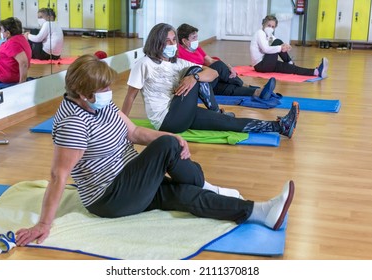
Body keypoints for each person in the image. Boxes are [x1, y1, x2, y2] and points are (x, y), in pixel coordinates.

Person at [15, 54, 295, 246]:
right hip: (111, 197)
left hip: (134, 180)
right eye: (104, 89)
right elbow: (57, 176)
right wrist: (43, 224)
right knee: (168, 145)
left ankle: (260, 212)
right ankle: (201, 180)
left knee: (186, 191)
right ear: (84, 94)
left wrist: (173, 138)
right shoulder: (73, 123)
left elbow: (134, 132)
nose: (109, 92)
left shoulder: (98, 104)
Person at [122, 23, 299, 138]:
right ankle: (216, 109)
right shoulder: (144, 64)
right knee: (194, 70)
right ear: (156, 43)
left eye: (173, 40)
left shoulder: (178, 62)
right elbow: (130, 96)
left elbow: (212, 73)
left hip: (184, 111)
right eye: (167, 42)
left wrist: (194, 78)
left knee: (230, 122)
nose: (172, 45)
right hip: (168, 119)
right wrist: (122, 125)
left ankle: (281, 126)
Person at [177, 23, 276, 99]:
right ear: (184, 41)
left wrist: (228, 67)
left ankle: (257, 92)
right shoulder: (179, 53)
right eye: (193, 38)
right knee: (219, 66)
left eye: (196, 37)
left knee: (226, 86)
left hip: (209, 79)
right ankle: (246, 85)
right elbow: (199, 68)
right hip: (197, 81)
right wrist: (222, 69)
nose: (196, 40)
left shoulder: (196, 48)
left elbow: (210, 61)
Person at [250, 15, 329, 78]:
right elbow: (266, 49)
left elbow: (277, 42)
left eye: (273, 27)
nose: (270, 28)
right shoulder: (260, 33)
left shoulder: (269, 35)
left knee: (291, 68)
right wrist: (281, 47)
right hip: (261, 65)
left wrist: (286, 46)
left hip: (267, 63)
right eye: (268, 25)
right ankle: (289, 62)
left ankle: (316, 72)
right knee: (278, 42)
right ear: (263, 24)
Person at [0, 17, 31, 84]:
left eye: (1, 30)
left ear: (8, 33)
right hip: (8, 71)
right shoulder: (20, 39)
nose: (1, 32)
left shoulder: (13, 44)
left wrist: (22, 83)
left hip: (4, 75)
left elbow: (24, 63)